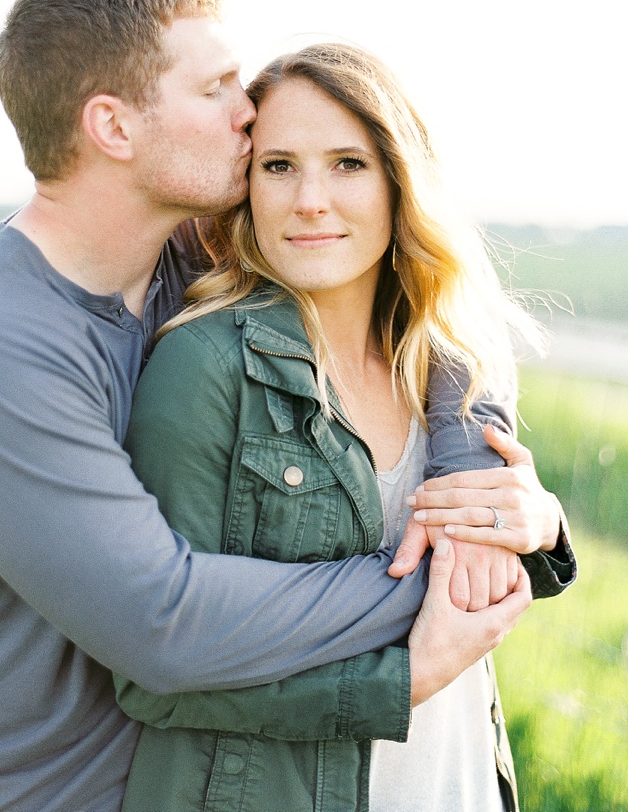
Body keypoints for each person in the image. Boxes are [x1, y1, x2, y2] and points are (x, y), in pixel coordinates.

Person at [0, 0, 540, 812]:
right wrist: (447, 572)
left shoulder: (183, 256)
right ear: (112, 126)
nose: (247, 110)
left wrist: (483, 493)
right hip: (21, 795)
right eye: (216, 87)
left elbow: (414, 302)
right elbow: (164, 623)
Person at [115, 41, 575, 812]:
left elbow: (476, 581)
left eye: (347, 163)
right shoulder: (203, 363)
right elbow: (149, 673)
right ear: (245, 187)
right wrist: (402, 681)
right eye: (279, 165)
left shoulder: (444, 363)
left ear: (399, 180)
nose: (310, 200)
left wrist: (540, 524)